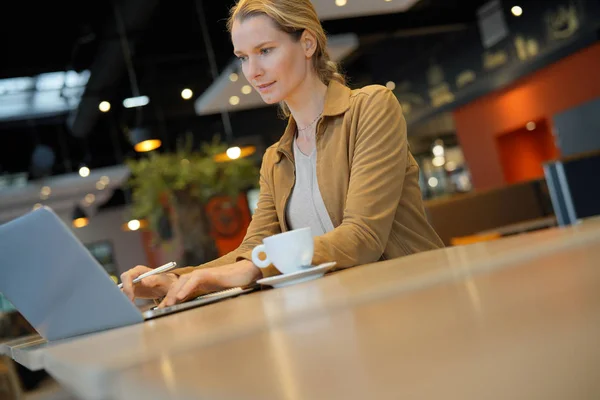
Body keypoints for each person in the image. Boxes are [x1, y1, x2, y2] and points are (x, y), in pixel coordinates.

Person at [121, 0, 444, 308]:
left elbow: (363, 236)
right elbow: (252, 250)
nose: (253, 71)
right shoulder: (277, 158)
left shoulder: (370, 107)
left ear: (307, 44)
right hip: (346, 310)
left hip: (413, 297)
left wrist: (257, 267)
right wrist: (176, 279)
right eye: (243, 57)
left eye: (265, 51)